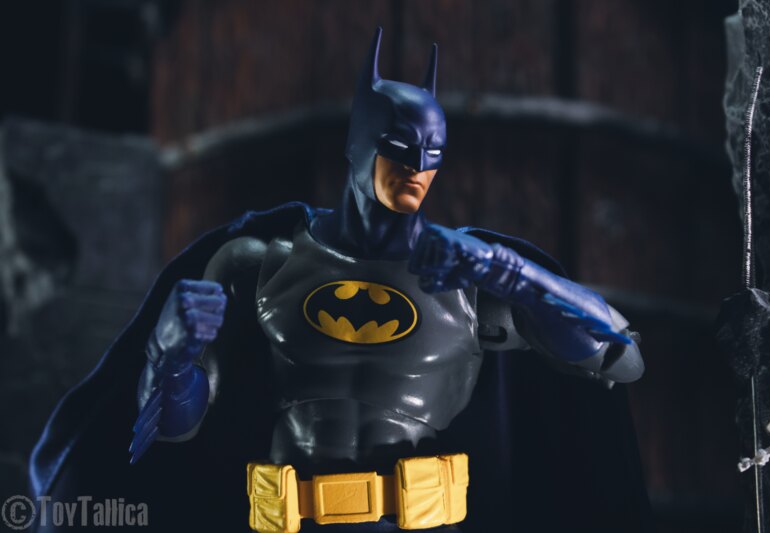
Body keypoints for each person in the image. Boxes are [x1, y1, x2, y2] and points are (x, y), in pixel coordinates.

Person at [31, 28, 650, 533]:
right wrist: (169, 356)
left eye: (432, 156)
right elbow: (177, 425)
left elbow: (619, 357)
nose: (416, 168)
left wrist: (517, 275)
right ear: (358, 145)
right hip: (288, 517)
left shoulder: (466, 278)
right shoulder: (260, 262)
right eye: (400, 148)